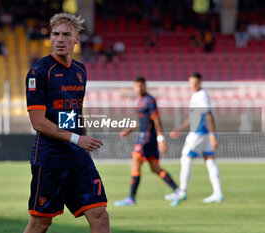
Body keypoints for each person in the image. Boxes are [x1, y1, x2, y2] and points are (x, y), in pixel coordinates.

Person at [23, 13, 111, 233]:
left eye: (66, 34)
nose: (60, 39)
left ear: (77, 39)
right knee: (41, 223)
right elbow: (38, 122)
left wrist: (84, 147)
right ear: (50, 39)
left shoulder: (80, 71)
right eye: (55, 34)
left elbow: (74, 112)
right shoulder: (39, 71)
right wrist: (77, 139)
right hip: (50, 159)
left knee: (100, 215)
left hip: (78, 158)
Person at [114, 77, 178, 206]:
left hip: (147, 138)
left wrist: (161, 139)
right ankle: (178, 191)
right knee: (155, 168)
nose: (138, 89)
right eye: (136, 87)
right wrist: (129, 130)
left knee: (135, 161)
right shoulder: (140, 100)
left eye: (140, 86)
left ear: (145, 86)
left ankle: (131, 197)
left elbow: (156, 120)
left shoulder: (149, 100)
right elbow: (142, 121)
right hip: (144, 137)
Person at [166, 72, 223, 207]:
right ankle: (218, 193)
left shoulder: (202, 95)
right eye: (191, 83)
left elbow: (208, 115)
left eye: (195, 83)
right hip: (203, 132)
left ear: (200, 82)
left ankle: (182, 191)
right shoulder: (196, 95)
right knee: (210, 160)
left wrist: (213, 136)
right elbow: (193, 117)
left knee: (185, 158)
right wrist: (179, 129)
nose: (193, 85)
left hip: (198, 133)